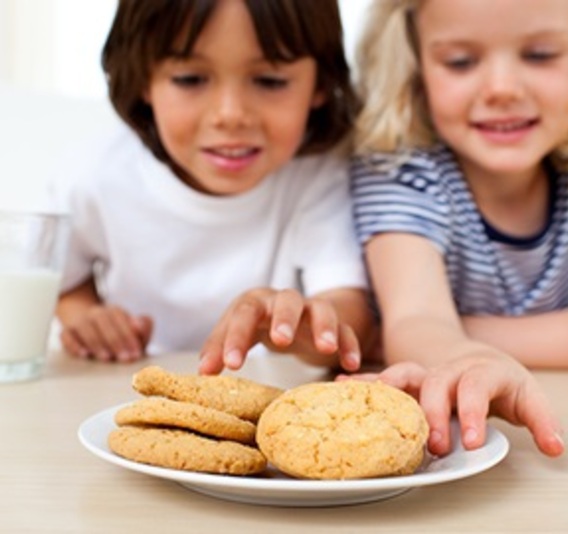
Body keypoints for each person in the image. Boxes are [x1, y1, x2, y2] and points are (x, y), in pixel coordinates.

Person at [347, 0, 568, 453]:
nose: (502, 88)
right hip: (461, 438)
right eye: (460, 62)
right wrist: (469, 356)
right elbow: (415, 321)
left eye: (540, 55)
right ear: (415, 72)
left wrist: (458, 331)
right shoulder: (403, 172)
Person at [49, 0, 373, 373]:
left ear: (321, 83)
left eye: (270, 80)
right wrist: (85, 315)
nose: (230, 114)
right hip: (127, 387)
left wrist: (299, 328)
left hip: (264, 398)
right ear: (142, 80)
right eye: (190, 79)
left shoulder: (320, 175)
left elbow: (351, 318)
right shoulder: (96, 174)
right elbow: (61, 278)